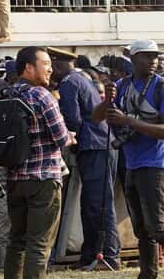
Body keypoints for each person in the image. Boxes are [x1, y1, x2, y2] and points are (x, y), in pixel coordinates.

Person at [93, 38, 164, 279]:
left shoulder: (160, 87)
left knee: (158, 226)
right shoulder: (122, 85)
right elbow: (96, 117)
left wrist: (128, 121)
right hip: (131, 163)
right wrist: (107, 100)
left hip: (156, 165)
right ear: (132, 59)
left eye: (154, 56)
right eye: (145, 56)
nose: (152, 61)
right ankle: (148, 274)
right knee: (142, 229)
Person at [2, 47, 71, 279]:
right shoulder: (42, 95)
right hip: (44, 179)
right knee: (39, 245)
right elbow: (61, 137)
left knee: (17, 241)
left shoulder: (6, 94)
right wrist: (71, 136)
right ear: (29, 68)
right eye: (45, 63)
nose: (50, 68)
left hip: (15, 179)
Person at [51, 47, 117, 270]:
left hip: (93, 146)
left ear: (58, 65)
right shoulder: (82, 78)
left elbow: (73, 121)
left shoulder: (69, 83)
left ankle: (107, 256)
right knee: (95, 204)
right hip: (99, 145)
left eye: (51, 67)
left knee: (97, 205)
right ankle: (93, 256)